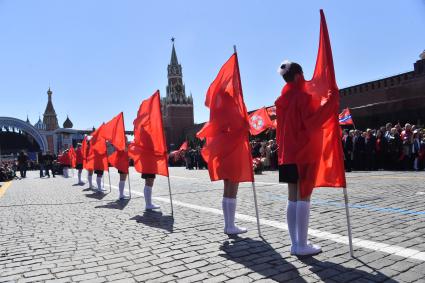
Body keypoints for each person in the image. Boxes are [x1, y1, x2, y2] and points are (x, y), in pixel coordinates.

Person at [275, 61, 336, 256]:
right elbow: (312, 121)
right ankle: (302, 245)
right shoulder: (302, 97)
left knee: (292, 197)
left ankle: (295, 243)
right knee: (304, 197)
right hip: (303, 152)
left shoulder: (281, 100)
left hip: (287, 154)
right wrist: (331, 103)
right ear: (299, 76)